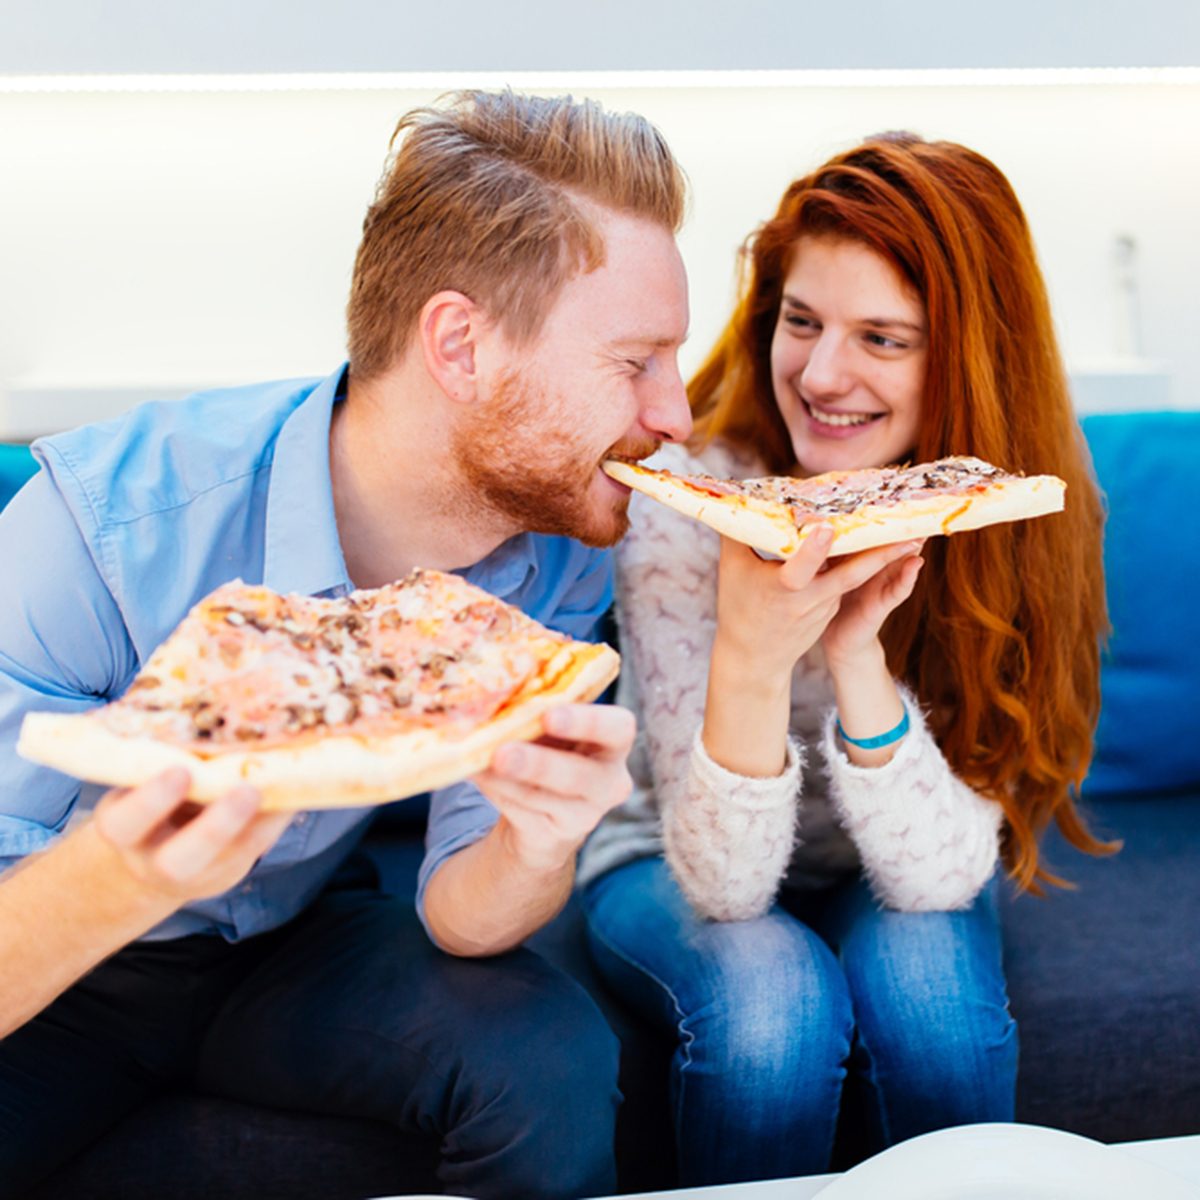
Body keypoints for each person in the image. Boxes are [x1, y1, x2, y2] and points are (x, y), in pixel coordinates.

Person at [0, 90, 693, 1200]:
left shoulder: (558, 545)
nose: (679, 412)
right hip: (60, 956)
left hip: (291, 939)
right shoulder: (99, 534)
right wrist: (129, 867)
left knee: (553, 1056)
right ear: (460, 344)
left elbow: (466, 918)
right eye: (635, 362)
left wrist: (536, 841)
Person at [578, 132, 1110, 1187]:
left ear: (965, 355)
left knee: (933, 1005)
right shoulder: (692, 505)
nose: (823, 375)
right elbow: (726, 889)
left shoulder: (1022, 510)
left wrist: (855, 652)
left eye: (884, 338)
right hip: (668, 853)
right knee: (772, 1009)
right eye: (802, 321)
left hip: (899, 855)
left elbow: (944, 873)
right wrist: (754, 649)